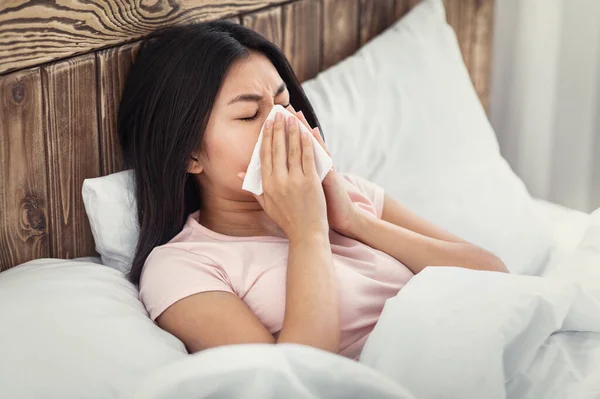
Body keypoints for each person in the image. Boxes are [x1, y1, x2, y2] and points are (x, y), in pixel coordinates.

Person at [118, 21, 508, 360]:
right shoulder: (182, 267)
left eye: (285, 103)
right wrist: (307, 233)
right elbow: (299, 381)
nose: (282, 124)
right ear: (189, 154)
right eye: (249, 115)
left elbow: (495, 278)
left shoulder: (348, 194)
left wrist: (354, 221)